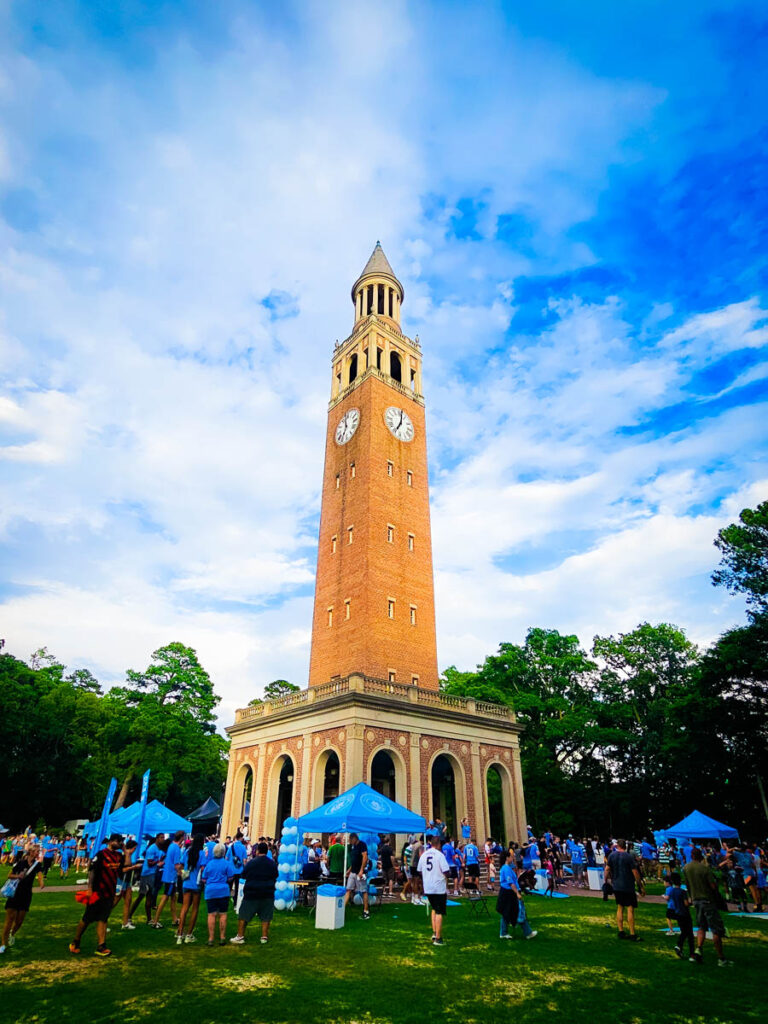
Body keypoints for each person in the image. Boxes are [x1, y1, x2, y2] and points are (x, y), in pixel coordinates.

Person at [69, 833, 124, 957]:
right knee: (87, 919)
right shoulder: (101, 855)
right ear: (111, 842)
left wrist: (127, 852)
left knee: (103, 919)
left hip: (109, 892)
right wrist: (89, 888)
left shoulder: (119, 856)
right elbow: (92, 871)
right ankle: (76, 940)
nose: (120, 844)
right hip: (98, 891)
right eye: (119, 841)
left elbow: (125, 867)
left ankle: (101, 946)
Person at [684, 847, 732, 966]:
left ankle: (698, 950)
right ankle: (721, 958)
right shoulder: (705, 869)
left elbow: (687, 884)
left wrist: (690, 897)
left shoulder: (686, 868)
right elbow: (713, 886)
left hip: (696, 900)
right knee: (716, 929)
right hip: (708, 900)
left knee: (701, 927)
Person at [230, 841, 279, 945]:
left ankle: (240, 936)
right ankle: (264, 936)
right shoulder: (272, 863)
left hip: (252, 892)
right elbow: (276, 875)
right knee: (266, 916)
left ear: (257, 851)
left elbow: (243, 875)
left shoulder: (251, 862)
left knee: (243, 915)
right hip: (267, 892)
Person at [1, 843, 44, 954]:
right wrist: (17, 876)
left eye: (38, 851)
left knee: (19, 921)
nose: (37, 853)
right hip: (15, 893)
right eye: (36, 851)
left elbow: (39, 874)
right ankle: (3, 944)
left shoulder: (37, 865)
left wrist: (41, 882)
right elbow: (9, 875)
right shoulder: (21, 863)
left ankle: (12, 934)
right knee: (9, 919)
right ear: (30, 852)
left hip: (26, 895)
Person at [605, 838, 644, 942]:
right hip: (628, 885)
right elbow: (635, 872)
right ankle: (632, 933)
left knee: (620, 907)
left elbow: (607, 869)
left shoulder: (612, 855)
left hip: (616, 885)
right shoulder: (628, 857)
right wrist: (640, 885)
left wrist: (606, 881)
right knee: (630, 908)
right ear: (625, 846)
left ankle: (621, 931)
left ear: (617, 846)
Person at [496, 848, 538, 940]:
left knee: (508, 912)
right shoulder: (506, 868)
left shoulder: (507, 867)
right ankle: (528, 932)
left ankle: (504, 932)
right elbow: (510, 883)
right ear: (507, 858)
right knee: (518, 911)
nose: (513, 858)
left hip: (509, 892)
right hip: (508, 893)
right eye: (511, 857)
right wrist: (517, 893)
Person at [418, 836, 450, 946]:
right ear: (439, 844)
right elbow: (446, 871)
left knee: (434, 909)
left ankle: (434, 932)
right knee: (439, 911)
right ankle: (438, 938)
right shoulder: (440, 855)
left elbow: (419, 870)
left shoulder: (424, 855)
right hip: (438, 887)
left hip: (428, 887)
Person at [201, 842, 234, 946]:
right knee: (223, 914)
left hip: (211, 891)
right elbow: (230, 877)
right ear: (224, 852)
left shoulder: (209, 864)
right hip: (223, 891)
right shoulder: (226, 864)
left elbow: (203, 878)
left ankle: (211, 938)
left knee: (211, 914)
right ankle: (222, 937)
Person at [176, 834, 205, 945]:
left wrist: (184, 876)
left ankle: (179, 934)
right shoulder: (201, 854)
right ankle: (189, 934)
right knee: (195, 909)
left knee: (184, 908)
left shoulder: (187, 852)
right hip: (196, 884)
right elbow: (202, 868)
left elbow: (180, 866)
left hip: (187, 882)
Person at [129, 834, 162, 925]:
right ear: (157, 839)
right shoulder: (152, 849)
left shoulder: (156, 848)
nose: (163, 839)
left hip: (151, 873)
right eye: (161, 837)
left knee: (149, 896)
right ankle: (129, 916)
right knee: (141, 896)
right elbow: (150, 863)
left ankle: (149, 919)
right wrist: (159, 862)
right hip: (147, 874)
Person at [665, 871, 695, 961]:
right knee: (689, 934)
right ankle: (691, 953)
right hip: (685, 913)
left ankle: (679, 946)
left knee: (684, 931)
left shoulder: (672, 891)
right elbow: (686, 903)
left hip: (677, 913)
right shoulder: (682, 892)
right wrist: (691, 902)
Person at [117, 839, 142, 929]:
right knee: (114, 902)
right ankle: (103, 920)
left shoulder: (128, 855)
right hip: (121, 880)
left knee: (128, 901)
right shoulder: (123, 856)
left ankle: (125, 922)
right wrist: (134, 867)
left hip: (127, 881)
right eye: (134, 848)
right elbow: (122, 870)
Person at [344, 833, 370, 919]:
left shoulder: (362, 845)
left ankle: (366, 911)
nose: (350, 842)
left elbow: (365, 857)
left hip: (360, 872)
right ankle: (342, 909)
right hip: (353, 872)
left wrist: (362, 870)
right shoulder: (353, 846)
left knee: (363, 891)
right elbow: (354, 860)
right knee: (348, 889)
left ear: (354, 838)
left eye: (350, 840)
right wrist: (349, 869)